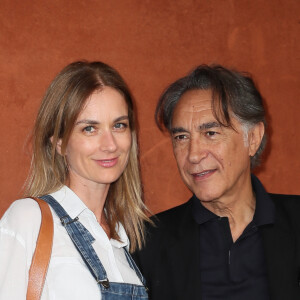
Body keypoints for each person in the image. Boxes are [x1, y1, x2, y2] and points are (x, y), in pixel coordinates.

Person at [133, 65, 300, 300]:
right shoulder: (146, 243)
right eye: (181, 137)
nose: (193, 154)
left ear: (252, 138)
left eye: (210, 133)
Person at [0, 61, 150, 299]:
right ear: (59, 142)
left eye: (119, 125)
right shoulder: (30, 219)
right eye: (89, 128)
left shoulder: (123, 241)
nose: (110, 144)